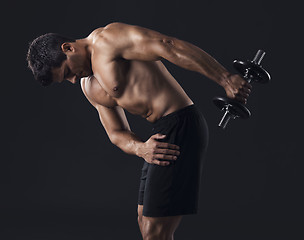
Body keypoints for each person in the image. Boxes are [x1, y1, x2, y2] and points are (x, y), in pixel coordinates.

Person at [27, 22, 251, 240]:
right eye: (65, 79)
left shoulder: (109, 39)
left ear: (68, 48)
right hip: (160, 133)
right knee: (145, 224)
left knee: (155, 232)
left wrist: (225, 78)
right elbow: (116, 133)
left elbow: (168, 45)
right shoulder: (89, 86)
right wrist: (140, 148)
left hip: (181, 124)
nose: (73, 79)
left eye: (67, 72)